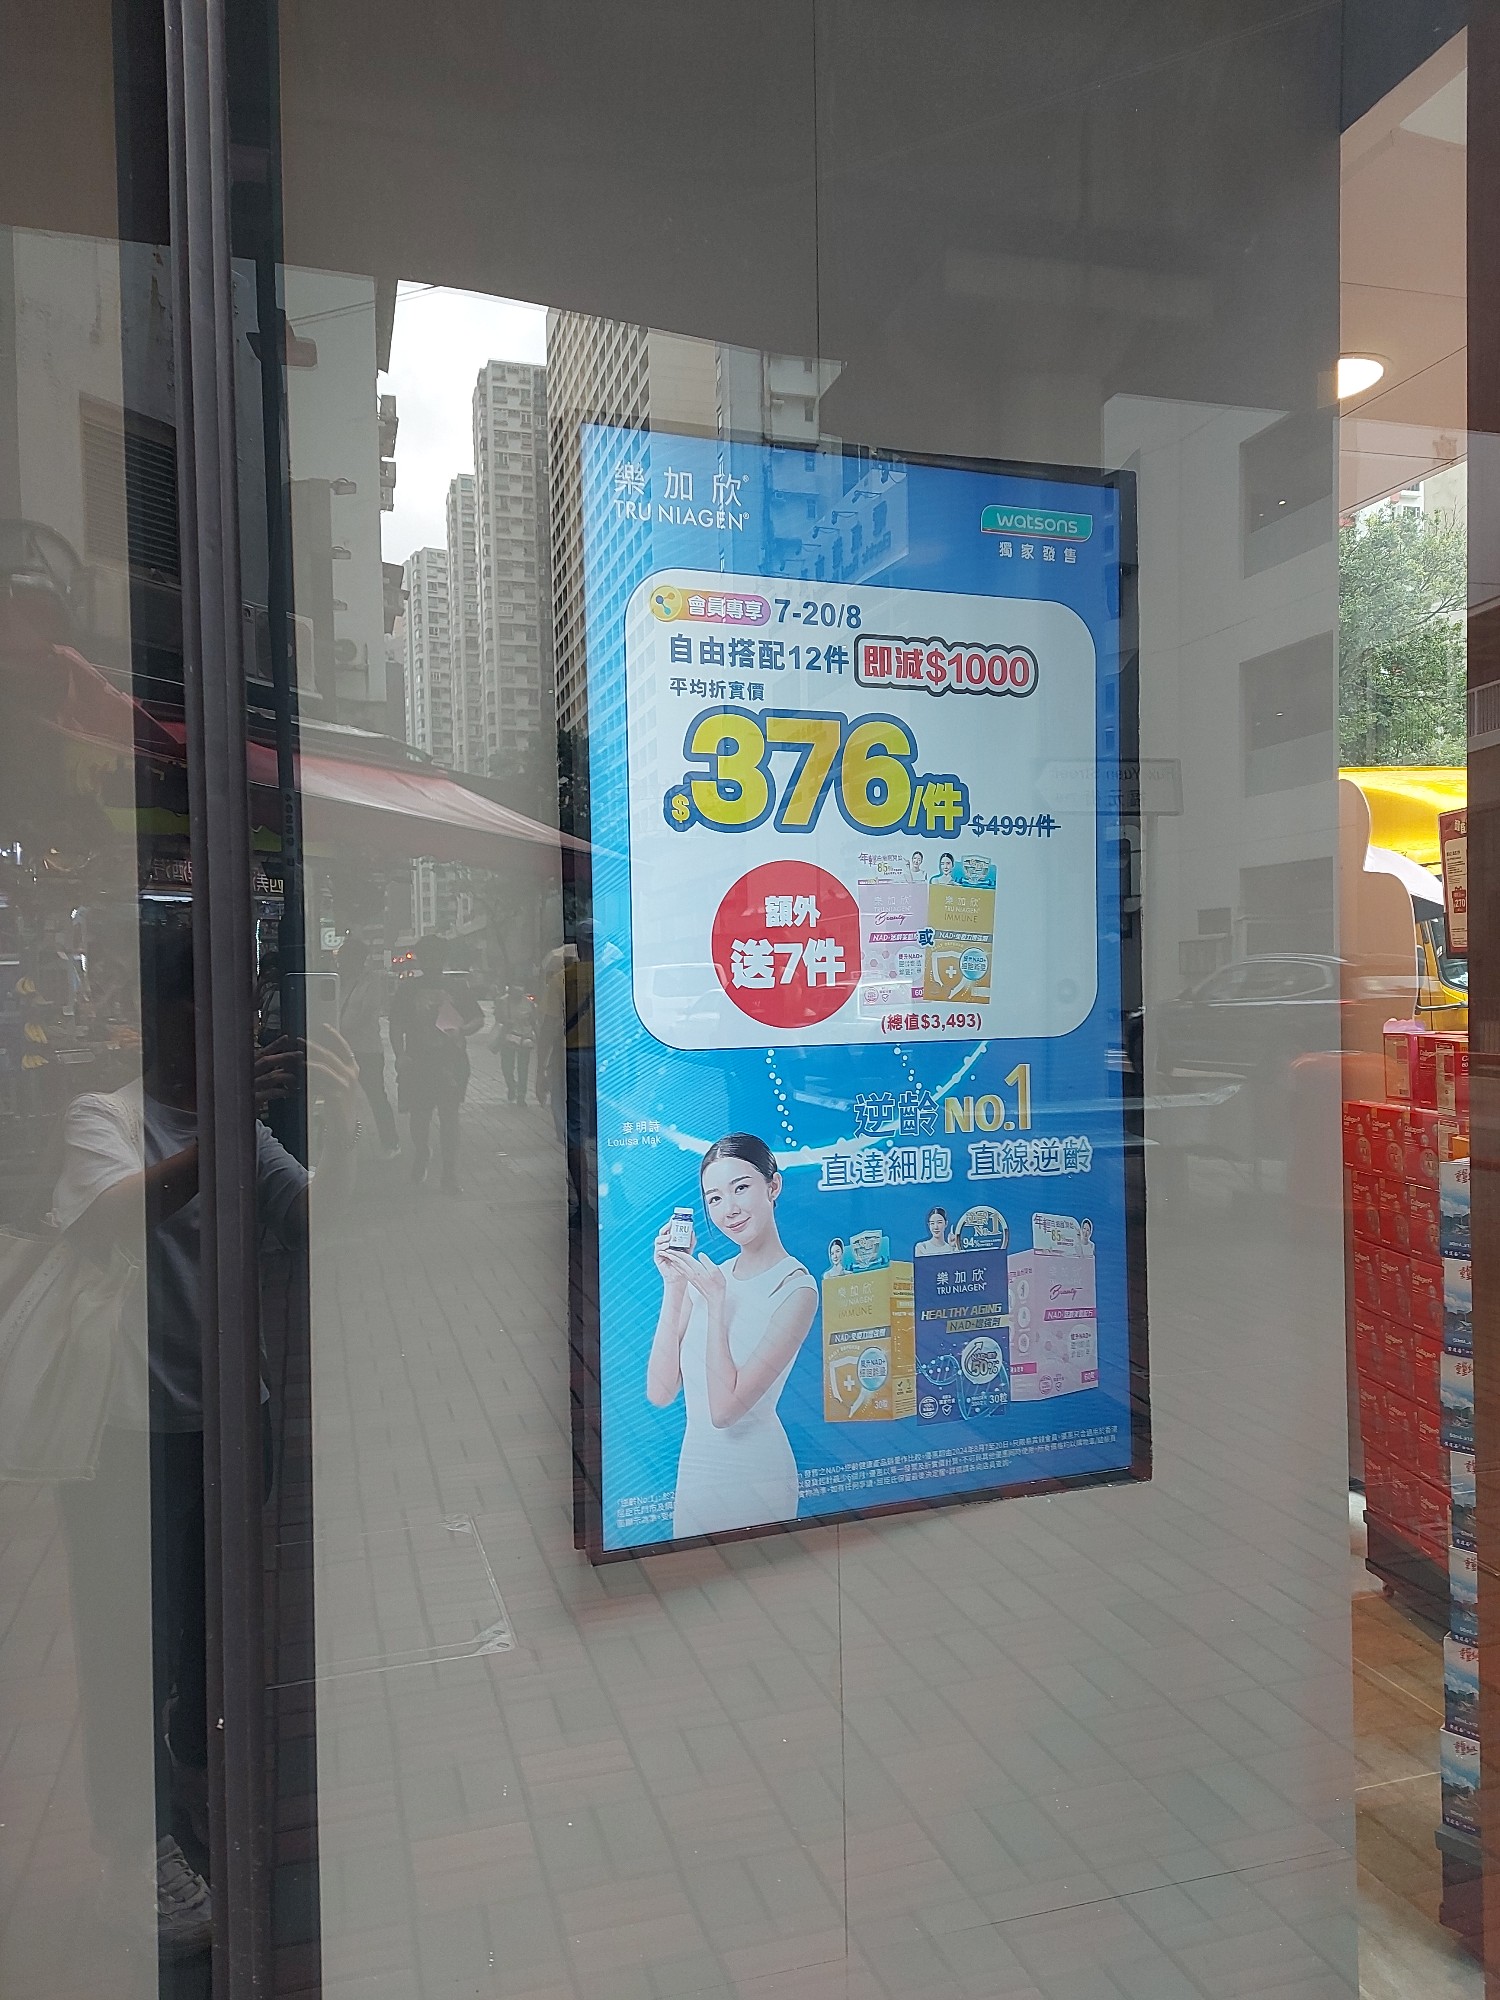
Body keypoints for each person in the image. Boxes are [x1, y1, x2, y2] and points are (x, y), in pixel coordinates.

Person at [52, 920, 359, 1956]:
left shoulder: (243, 1131)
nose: (240, 1019)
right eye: (213, 998)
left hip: (228, 1422)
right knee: (128, 1645)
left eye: (247, 998)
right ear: (163, 1013)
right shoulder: (103, 1118)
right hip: (125, 1439)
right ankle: (131, 1849)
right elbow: (108, 1219)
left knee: (204, 1632)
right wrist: (225, 1131)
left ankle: (187, 1799)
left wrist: (350, 1120)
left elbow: (314, 1223)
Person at [647, 1133, 817, 1539]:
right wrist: (674, 1284)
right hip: (696, 1470)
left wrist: (716, 1304)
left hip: (758, 1474)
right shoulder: (712, 1277)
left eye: (741, 1188)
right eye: (715, 1198)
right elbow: (661, 1391)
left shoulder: (796, 1288)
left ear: (773, 1186)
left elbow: (724, 1412)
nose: (730, 1209)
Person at [387, 934, 484, 1192]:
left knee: (449, 1117)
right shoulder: (407, 989)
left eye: (437, 957)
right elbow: (396, 1024)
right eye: (427, 957)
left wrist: (462, 1031)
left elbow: (477, 1018)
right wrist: (400, 1054)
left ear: (443, 958)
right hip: (418, 1062)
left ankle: (449, 1173)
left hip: (451, 1063)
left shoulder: (457, 987)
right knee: (419, 1117)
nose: (432, 962)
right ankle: (422, 1151)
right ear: (420, 959)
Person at [337, 935, 401, 1156]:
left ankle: (390, 1142)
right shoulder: (338, 981)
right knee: (338, 1096)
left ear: (357, 959)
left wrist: (340, 1030)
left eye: (345, 957)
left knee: (376, 1096)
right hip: (342, 1049)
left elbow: (366, 1013)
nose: (341, 962)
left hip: (367, 1050)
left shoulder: (371, 981)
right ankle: (338, 1143)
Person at [491, 980, 537, 1104]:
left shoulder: (529, 1003)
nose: (518, 993)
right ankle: (511, 1085)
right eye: (515, 991)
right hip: (508, 1038)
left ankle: (521, 1094)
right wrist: (506, 1021)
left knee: (523, 1068)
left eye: (520, 991)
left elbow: (533, 1021)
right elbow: (497, 1018)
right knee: (507, 1067)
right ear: (510, 990)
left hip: (524, 1039)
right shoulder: (502, 1002)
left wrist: (537, 1038)